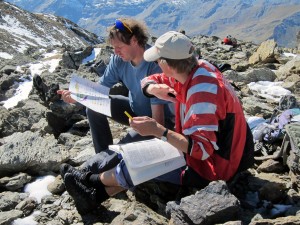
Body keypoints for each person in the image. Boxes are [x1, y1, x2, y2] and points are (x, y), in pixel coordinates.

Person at [61, 31, 254, 215]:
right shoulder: (195, 69)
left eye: (158, 60)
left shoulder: (201, 92)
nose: (156, 64)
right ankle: (93, 197)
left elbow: (202, 150)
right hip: (227, 151)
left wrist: (159, 131)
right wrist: (153, 89)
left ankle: (90, 181)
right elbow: (149, 79)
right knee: (146, 153)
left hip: (216, 164)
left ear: (167, 64)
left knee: (140, 160)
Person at [58, 18, 174, 173]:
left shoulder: (154, 65)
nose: (116, 52)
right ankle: (102, 159)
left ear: (134, 40)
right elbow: (99, 90)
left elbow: (158, 122)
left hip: (160, 121)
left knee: (128, 143)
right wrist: (77, 97)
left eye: (119, 47)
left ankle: (98, 169)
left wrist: (142, 132)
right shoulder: (118, 60)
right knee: (93, 107)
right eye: (114, 48)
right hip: (134, 109)